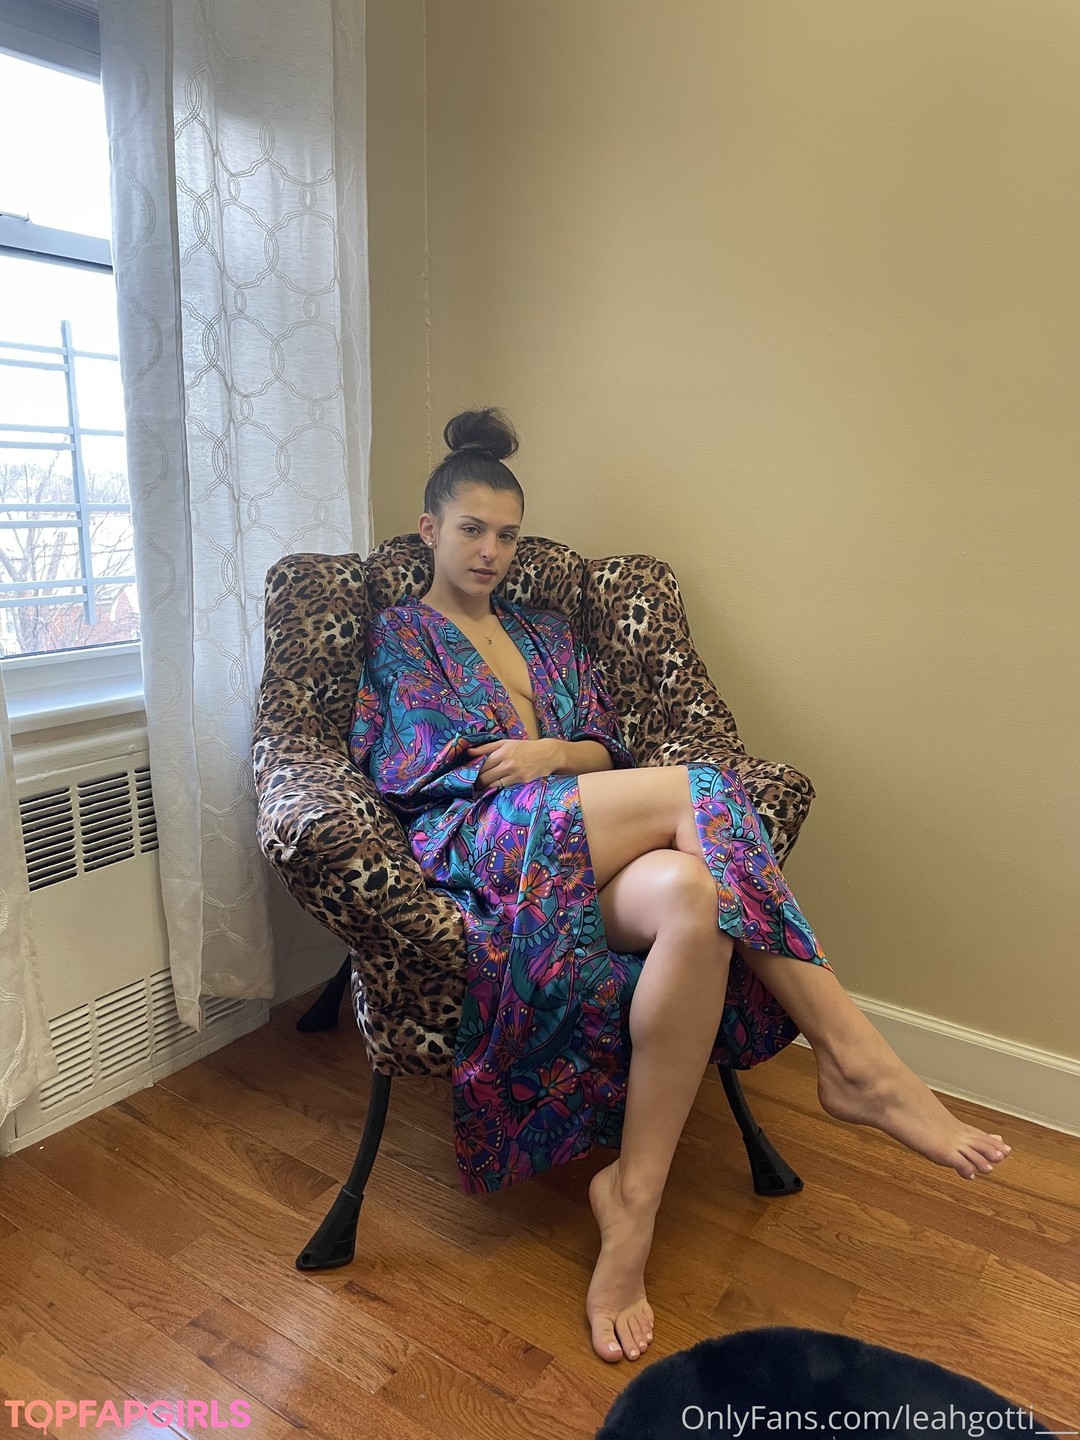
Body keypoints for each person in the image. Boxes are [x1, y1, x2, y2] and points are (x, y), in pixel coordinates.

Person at [348, 407, 1010, 1367]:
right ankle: (857, 1059)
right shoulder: (400, 634)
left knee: (696, 901)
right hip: (481, 840)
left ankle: (632, 1200)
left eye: (507, 535)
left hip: (581, 832)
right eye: (471, 530)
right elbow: (417, 765)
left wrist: (556, 752)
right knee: (702, 791)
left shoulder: (546, 632)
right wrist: (539, 767)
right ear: (429, 530)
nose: (490, 552)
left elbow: (607, 744)